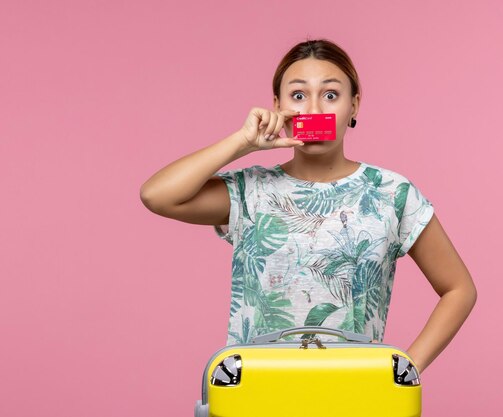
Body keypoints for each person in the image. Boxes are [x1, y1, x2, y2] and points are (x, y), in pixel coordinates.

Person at [140, 39, 477, 374]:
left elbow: (459, 289)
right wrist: (243, 141)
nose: (314, 109)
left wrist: (404, 367)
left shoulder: (391, 193)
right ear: (277, 105)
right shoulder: (250, 190)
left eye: (330, 95)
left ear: (354, 105)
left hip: (355, 394)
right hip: (257, 394)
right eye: (298, 96)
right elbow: (158, 195)